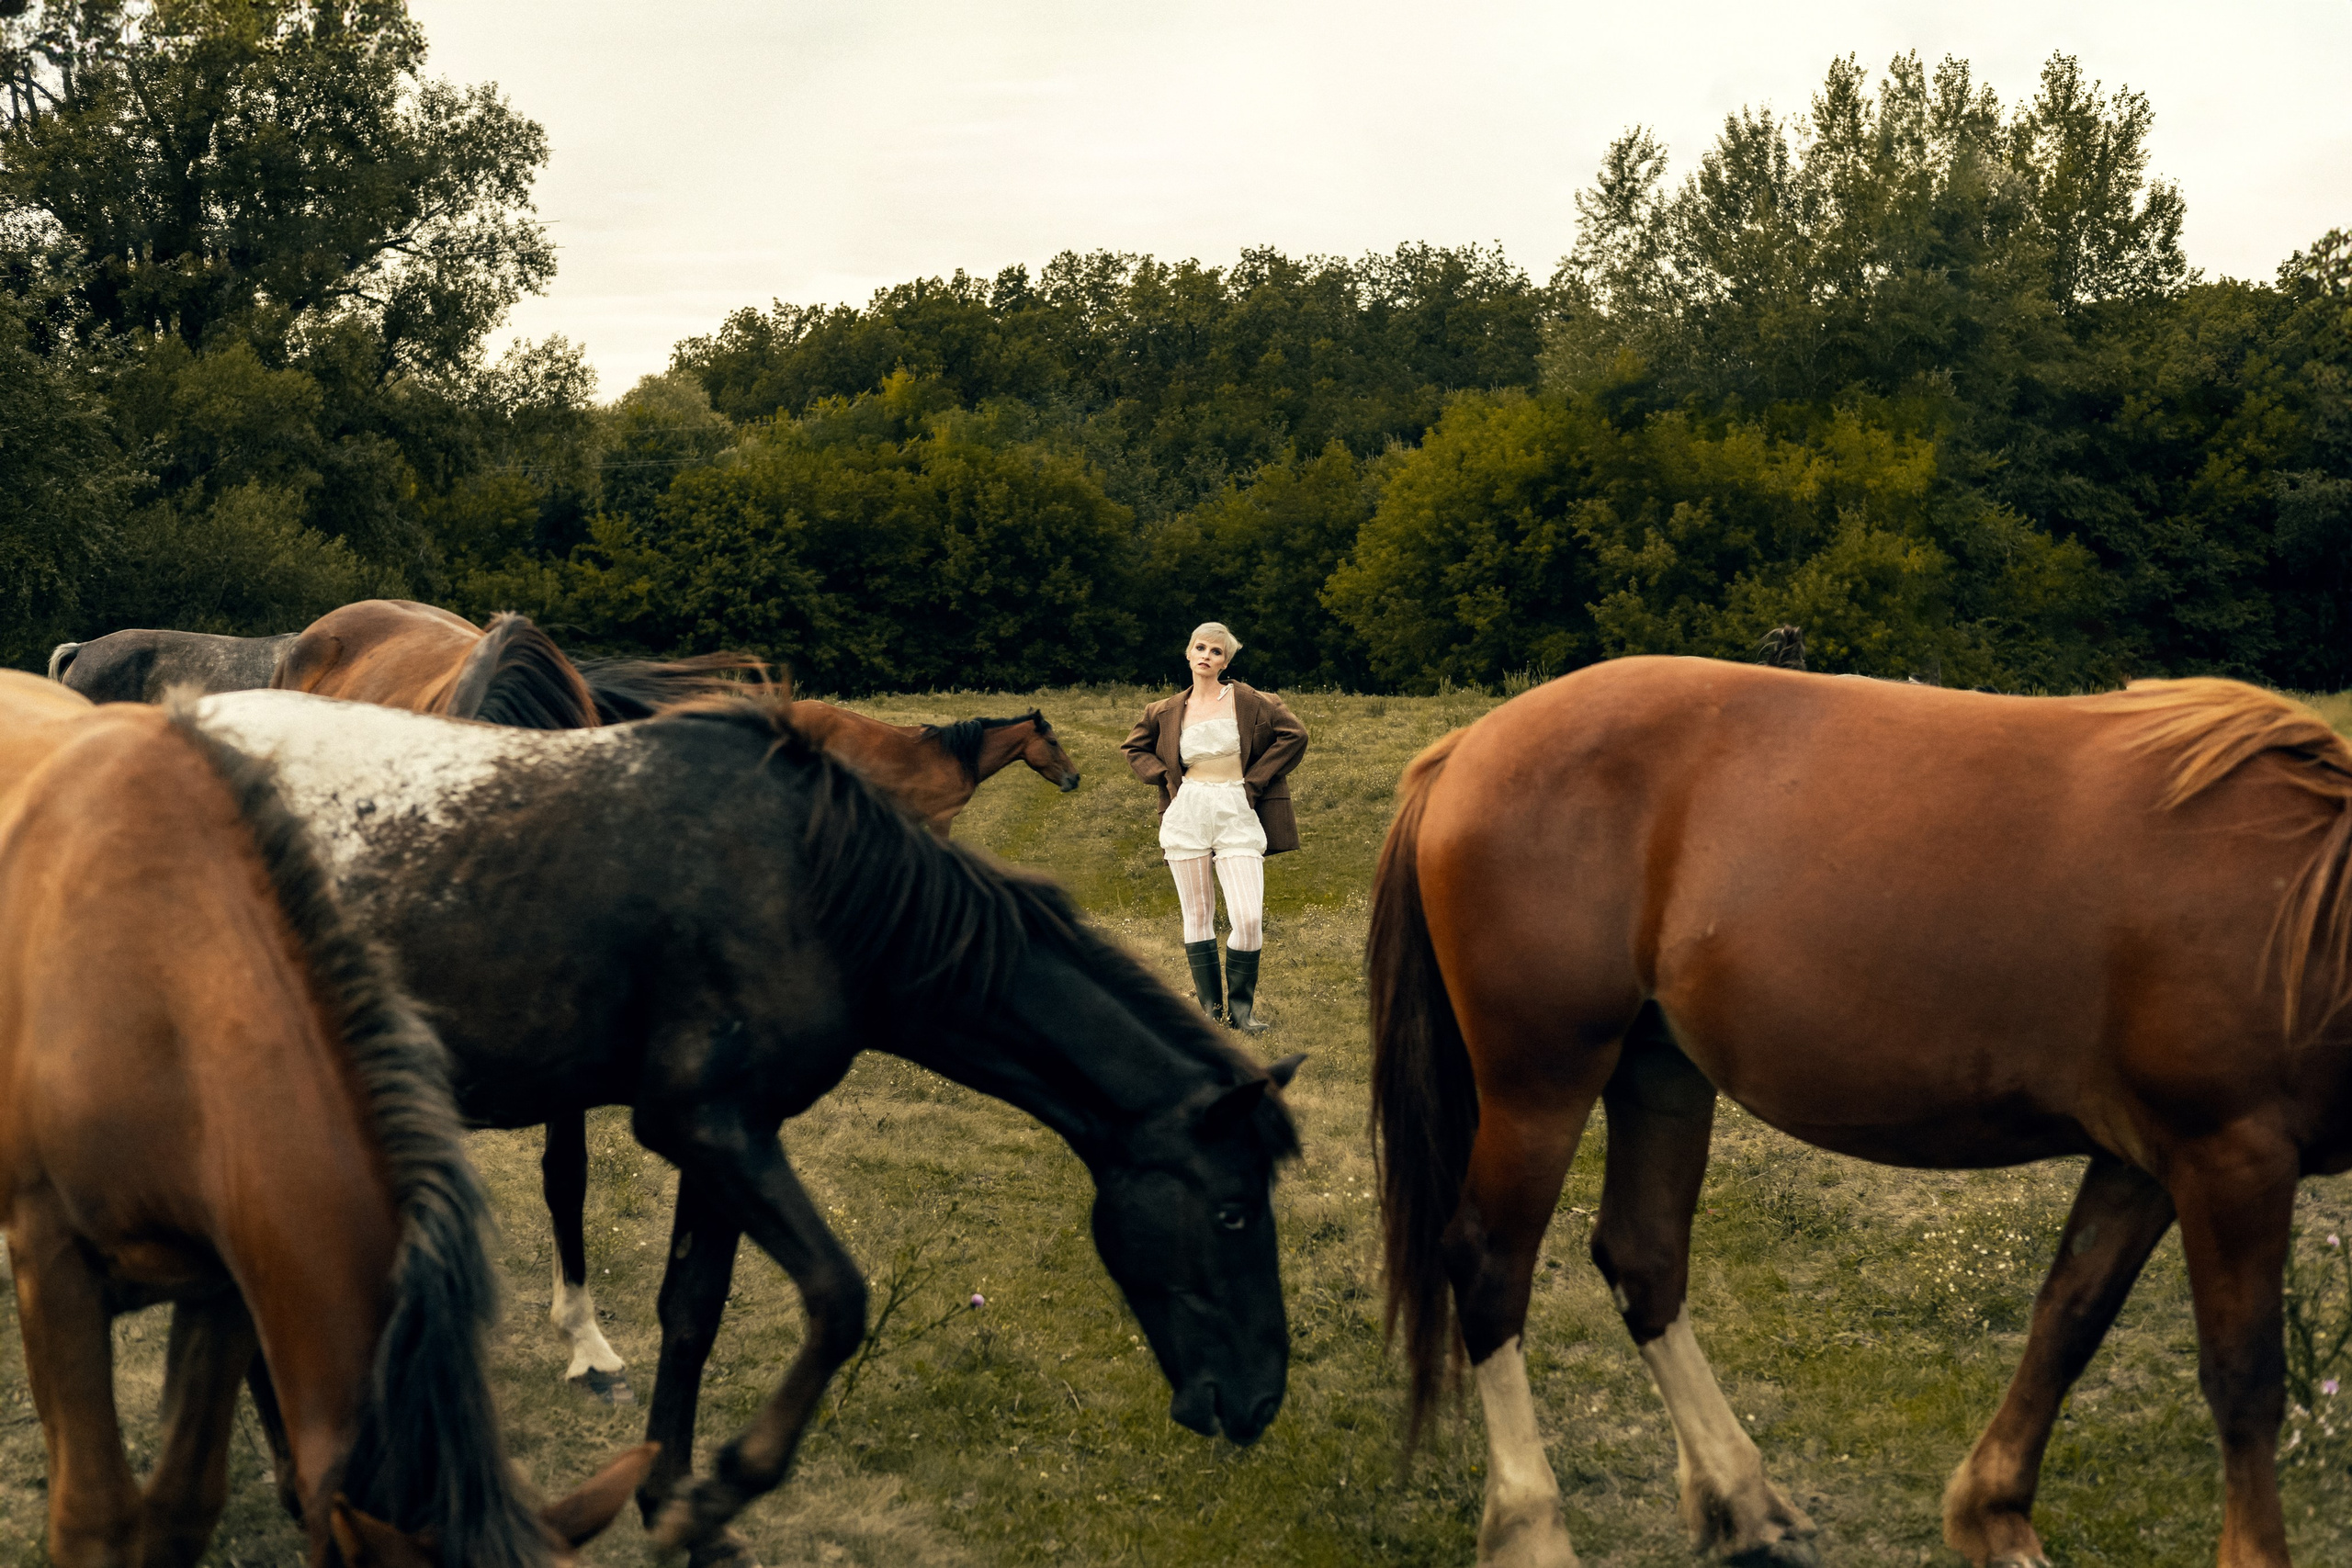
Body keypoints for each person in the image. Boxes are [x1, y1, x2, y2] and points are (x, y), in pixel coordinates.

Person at [1122, 622, 1307, 1032]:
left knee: (1247, 918)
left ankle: (1242, 1010)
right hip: (1187, 810)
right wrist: (1165, 778)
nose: (1207, 656)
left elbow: (1295, 735)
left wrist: (1255, 782)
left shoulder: (1252, 701)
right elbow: (1134, 748)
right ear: (1188, 653)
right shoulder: (1164, 710)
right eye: (1200, 648)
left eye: (1217, 652)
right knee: (1198, 913)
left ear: (1226, 660)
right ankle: (1211, 1011)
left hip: (1236, 809)